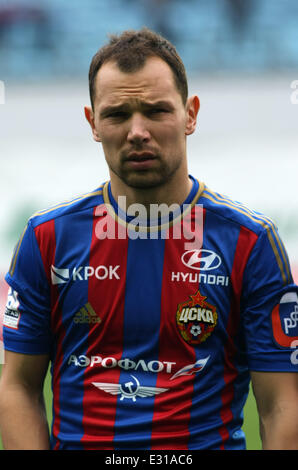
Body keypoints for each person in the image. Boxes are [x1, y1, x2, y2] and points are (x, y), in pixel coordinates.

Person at [0, 28, 297, 451]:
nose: (137, 131)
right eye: (117, 115)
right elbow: (17, 388)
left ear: (190, 113)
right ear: (93, 123)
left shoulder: (250, 243)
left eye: (156, 111)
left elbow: (281, 406)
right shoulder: (47, 238)